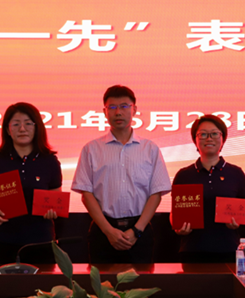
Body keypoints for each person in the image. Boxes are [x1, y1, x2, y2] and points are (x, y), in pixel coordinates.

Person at [71, 85, 171, 264]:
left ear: (134, 109)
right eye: (112, 107)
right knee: (101, 282)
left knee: (141, 281)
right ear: (105, 111)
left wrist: (136, 231)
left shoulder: (150, 149)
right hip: (103, 231)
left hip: (140, 231)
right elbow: (86, 194)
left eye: (124, 106)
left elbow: (156, 193)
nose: (118, 112)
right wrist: (108, 231)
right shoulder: (91, 149)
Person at [0, 102, 62, 265]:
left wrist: (53, 210)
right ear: (7, 130)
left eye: (28, 123)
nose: (22, 129)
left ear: (37, 128)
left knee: (43, 281)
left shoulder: (50, 162)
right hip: (3, 240)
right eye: (16, 124)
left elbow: (56, 198)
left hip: (40, 241)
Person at [172, 115, 245, 263]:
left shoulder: (236, 173)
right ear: (195, 140)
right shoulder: (184, 175)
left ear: (223, 138)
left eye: (214, 133)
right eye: (203, 134)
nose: (209, 138)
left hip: (228, 250)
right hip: (192, 251)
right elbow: (174, 213)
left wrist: (238, 221)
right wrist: (178, 228)